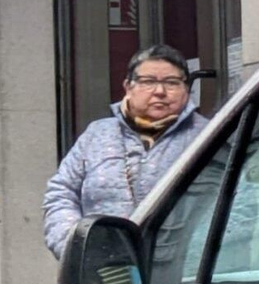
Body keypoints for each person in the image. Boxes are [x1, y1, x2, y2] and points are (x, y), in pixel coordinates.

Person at [43, 45, 210, 258]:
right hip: (104, 270)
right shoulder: (97, 134)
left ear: (186, 89)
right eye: (148, 82)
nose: (160, 91)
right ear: (128, 87)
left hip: (180, 272)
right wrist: (76, 247)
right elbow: (61, 193)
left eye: (171, 82)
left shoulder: (205, 136)